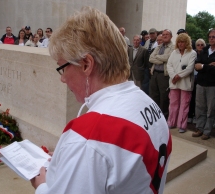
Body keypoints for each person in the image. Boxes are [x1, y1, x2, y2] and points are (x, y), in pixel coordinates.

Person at [31, 7, 172, 194]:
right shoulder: (149, 103)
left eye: (62, 67)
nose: (62, 78)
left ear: (86, 64)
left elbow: (94, 150)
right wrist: (71, 161)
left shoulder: (87, 138)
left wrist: (42, 185)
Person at [167, 33, 196, 133]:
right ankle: (171, 122)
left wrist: (178, 76)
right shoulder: (174, 53)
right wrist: (173, 76)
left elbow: (189, 68)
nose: (180, 44)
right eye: (179, 42)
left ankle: (182, 125)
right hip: (174, 83)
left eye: (182, 42)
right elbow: (169, 65)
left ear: (186, 42)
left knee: (184, 105)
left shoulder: (192, 53)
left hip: (185, 83)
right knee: (173, 103)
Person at [192, 29, 215, 140]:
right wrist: (209, 66)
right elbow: (196, 65)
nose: (211, 39)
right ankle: (199, 128)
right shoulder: (205, 50)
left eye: (213, 37)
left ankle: (207, 131)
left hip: (212, 85)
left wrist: (204, 66)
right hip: (201, 83)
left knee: (211, 109)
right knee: (200, 107)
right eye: (210, 37)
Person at [149, 29, 175, 118]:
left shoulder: (173, 47)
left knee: (163, 97)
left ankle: (163, 116)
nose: (164, 36)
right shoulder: (159, 46)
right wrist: (160, 60)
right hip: (154, 73)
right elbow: (150, 58)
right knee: (153, 95)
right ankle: (155, 115)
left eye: (167, 34)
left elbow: (168, 57)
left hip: (164, 75)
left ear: (171, 36)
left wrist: (157, 58)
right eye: (163, 34)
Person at [188, 38, 206, 123]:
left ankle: (197, 116)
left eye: (202, 45)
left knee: (200, 100)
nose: (200, 46)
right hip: (192, 78)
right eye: (198, 45)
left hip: (202, 79)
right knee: (192, 98)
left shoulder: (205, 54)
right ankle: (190, 115)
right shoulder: (193, 54)